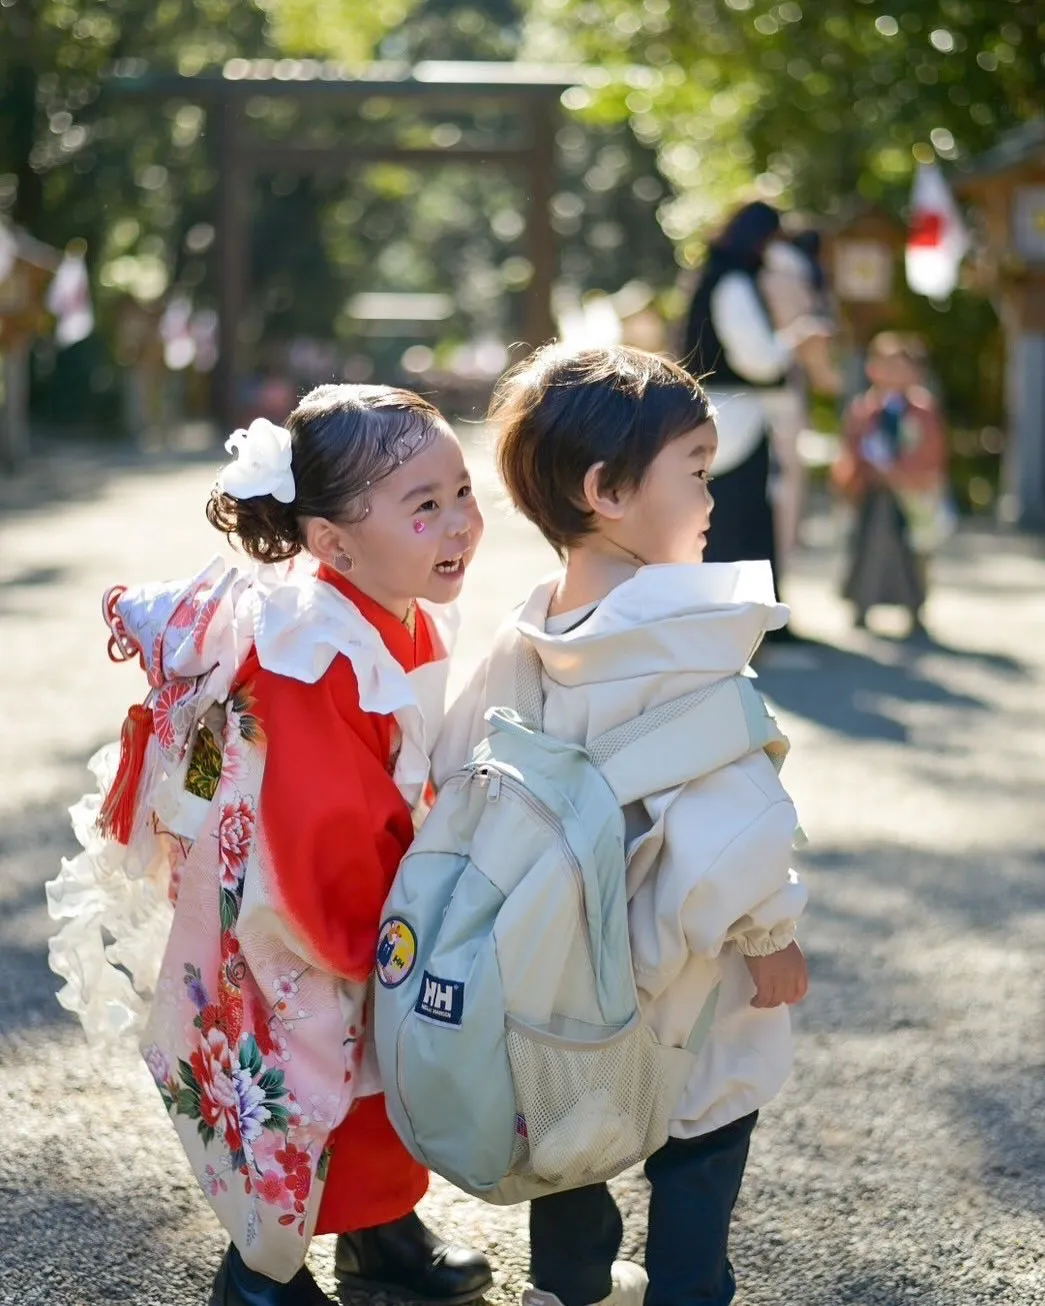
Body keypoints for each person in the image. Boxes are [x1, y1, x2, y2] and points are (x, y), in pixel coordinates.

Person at [46, 385, 493, 1306]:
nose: (458, 524)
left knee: (372, 1076)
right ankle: (258, 1282)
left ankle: (381, 1238)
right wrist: (381, 927)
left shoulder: (395, 603)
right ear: (331, 543)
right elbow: (321, 818)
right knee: (307, 1081)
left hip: (359, 881)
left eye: (460, 493)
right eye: (424, 506)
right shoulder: (311, 650)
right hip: (291, 912)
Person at [433, 345, 809, 1306]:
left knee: (577, 1110)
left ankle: (570, 1285)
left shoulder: (525, 639)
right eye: (693, 469)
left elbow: (456, 771)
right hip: (678, 955)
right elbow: (736, 818)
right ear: (605, 489)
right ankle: (687, 1289)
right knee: (710, 1114)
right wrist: (769, 935)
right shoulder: (685, 642)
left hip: (560, 952)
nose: (711, 491)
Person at [681, 201, 829, 642]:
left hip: (727, 414)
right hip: (734, 417)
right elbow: (759, 361)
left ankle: (754, 621)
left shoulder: (718, 277)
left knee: (737, 519)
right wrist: (797, 341)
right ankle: (743, 623)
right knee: (733, 520)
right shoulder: (732, 282)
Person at [831, 332, 951, 634]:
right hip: (872, 490)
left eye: (902, 367)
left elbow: (932, 450)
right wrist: (859, 473)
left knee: (912, 550)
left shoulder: (923, 410)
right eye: (887, 366)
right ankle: (861, 603)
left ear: (915, 372)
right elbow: (851, 447)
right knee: (866, 546)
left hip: (909, 493)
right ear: (873, 369)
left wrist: (903, 472)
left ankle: (915, 606)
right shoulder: (864, 409)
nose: (894, 374)